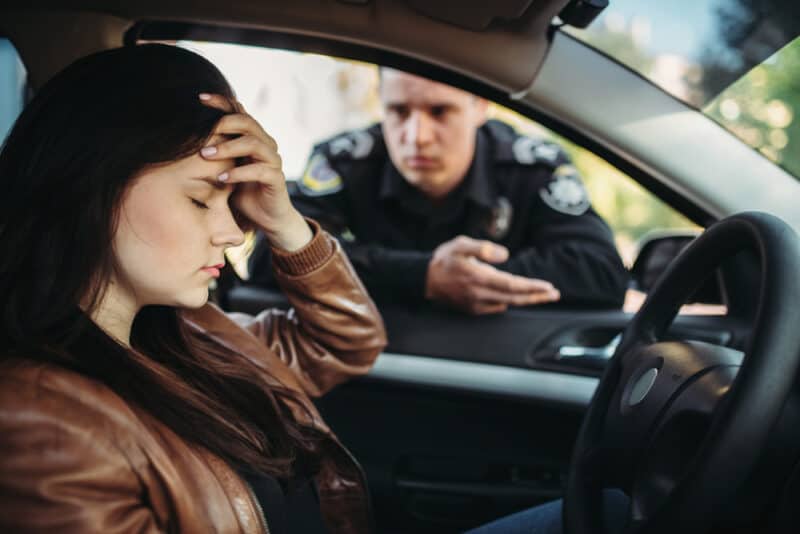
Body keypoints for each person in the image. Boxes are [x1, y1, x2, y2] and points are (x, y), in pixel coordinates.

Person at [0, 44, 388, 533]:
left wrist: (283, 220)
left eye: (232, 201)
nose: (232, 234)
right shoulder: (41, 423)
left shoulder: (186, 333)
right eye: (201, 199)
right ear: (90, 187)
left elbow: (348, 343)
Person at [247, 68, 629, 314]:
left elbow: (601, 271)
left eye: (440, 112)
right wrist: (423, 276)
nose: (416, 137)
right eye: (398, 111)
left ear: (480, 107)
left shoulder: (530, 165)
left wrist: (468, 278)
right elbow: (268, 257)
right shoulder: (345, 161)